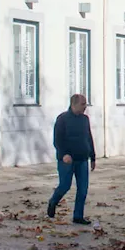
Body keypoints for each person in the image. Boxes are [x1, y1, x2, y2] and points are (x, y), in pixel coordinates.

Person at [48, 94, 97, 224]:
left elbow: (89, 138)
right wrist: (64, 154)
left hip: (82, 159)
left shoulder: (85, 119)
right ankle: (53, 201)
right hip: (67, 160)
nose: (85, 107)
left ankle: (78, 216)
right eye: (82, 104)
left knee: (83, 188)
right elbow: (57, 140)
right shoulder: (62, 119)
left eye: (86, 104)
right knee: (65, 185)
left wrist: (92, 157)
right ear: (73, 104)